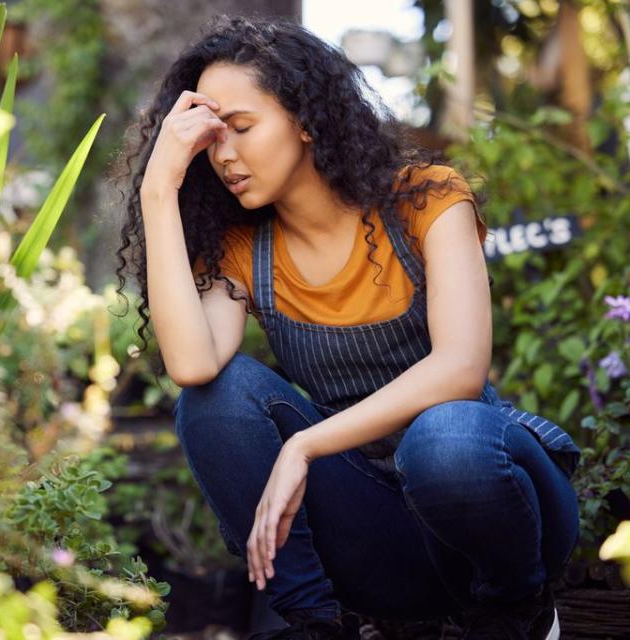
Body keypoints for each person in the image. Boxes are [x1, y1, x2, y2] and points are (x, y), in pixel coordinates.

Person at [112, 14, 582, 640]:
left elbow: (461, 369)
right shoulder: (243, 248)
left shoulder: (425, 199)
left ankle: (518, 613)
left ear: (306, 121)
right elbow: (193, 365)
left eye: (243, 128)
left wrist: (305, 445)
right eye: (210, 139)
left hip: (491, 507)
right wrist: (158, 188)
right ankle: (316, 622)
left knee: (443, 438)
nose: (224, 154)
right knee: (214, 399)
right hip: (380, 537)